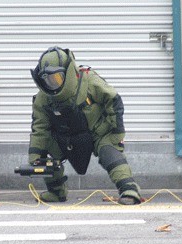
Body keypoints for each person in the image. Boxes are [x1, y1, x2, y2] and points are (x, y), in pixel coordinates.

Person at [27, 46, 143, 205]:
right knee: (45, 154)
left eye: (57, 78)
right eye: (47, 80)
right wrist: (34, 157)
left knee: (110, 153)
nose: (52, 84)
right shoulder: (43, 98)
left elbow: (114, 100)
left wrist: (116, 133)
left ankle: (129, 190)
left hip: (97, 133)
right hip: (65, 139)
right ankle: (56, 192)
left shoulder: (89, 80)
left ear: (67, 73)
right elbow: (39, 129)